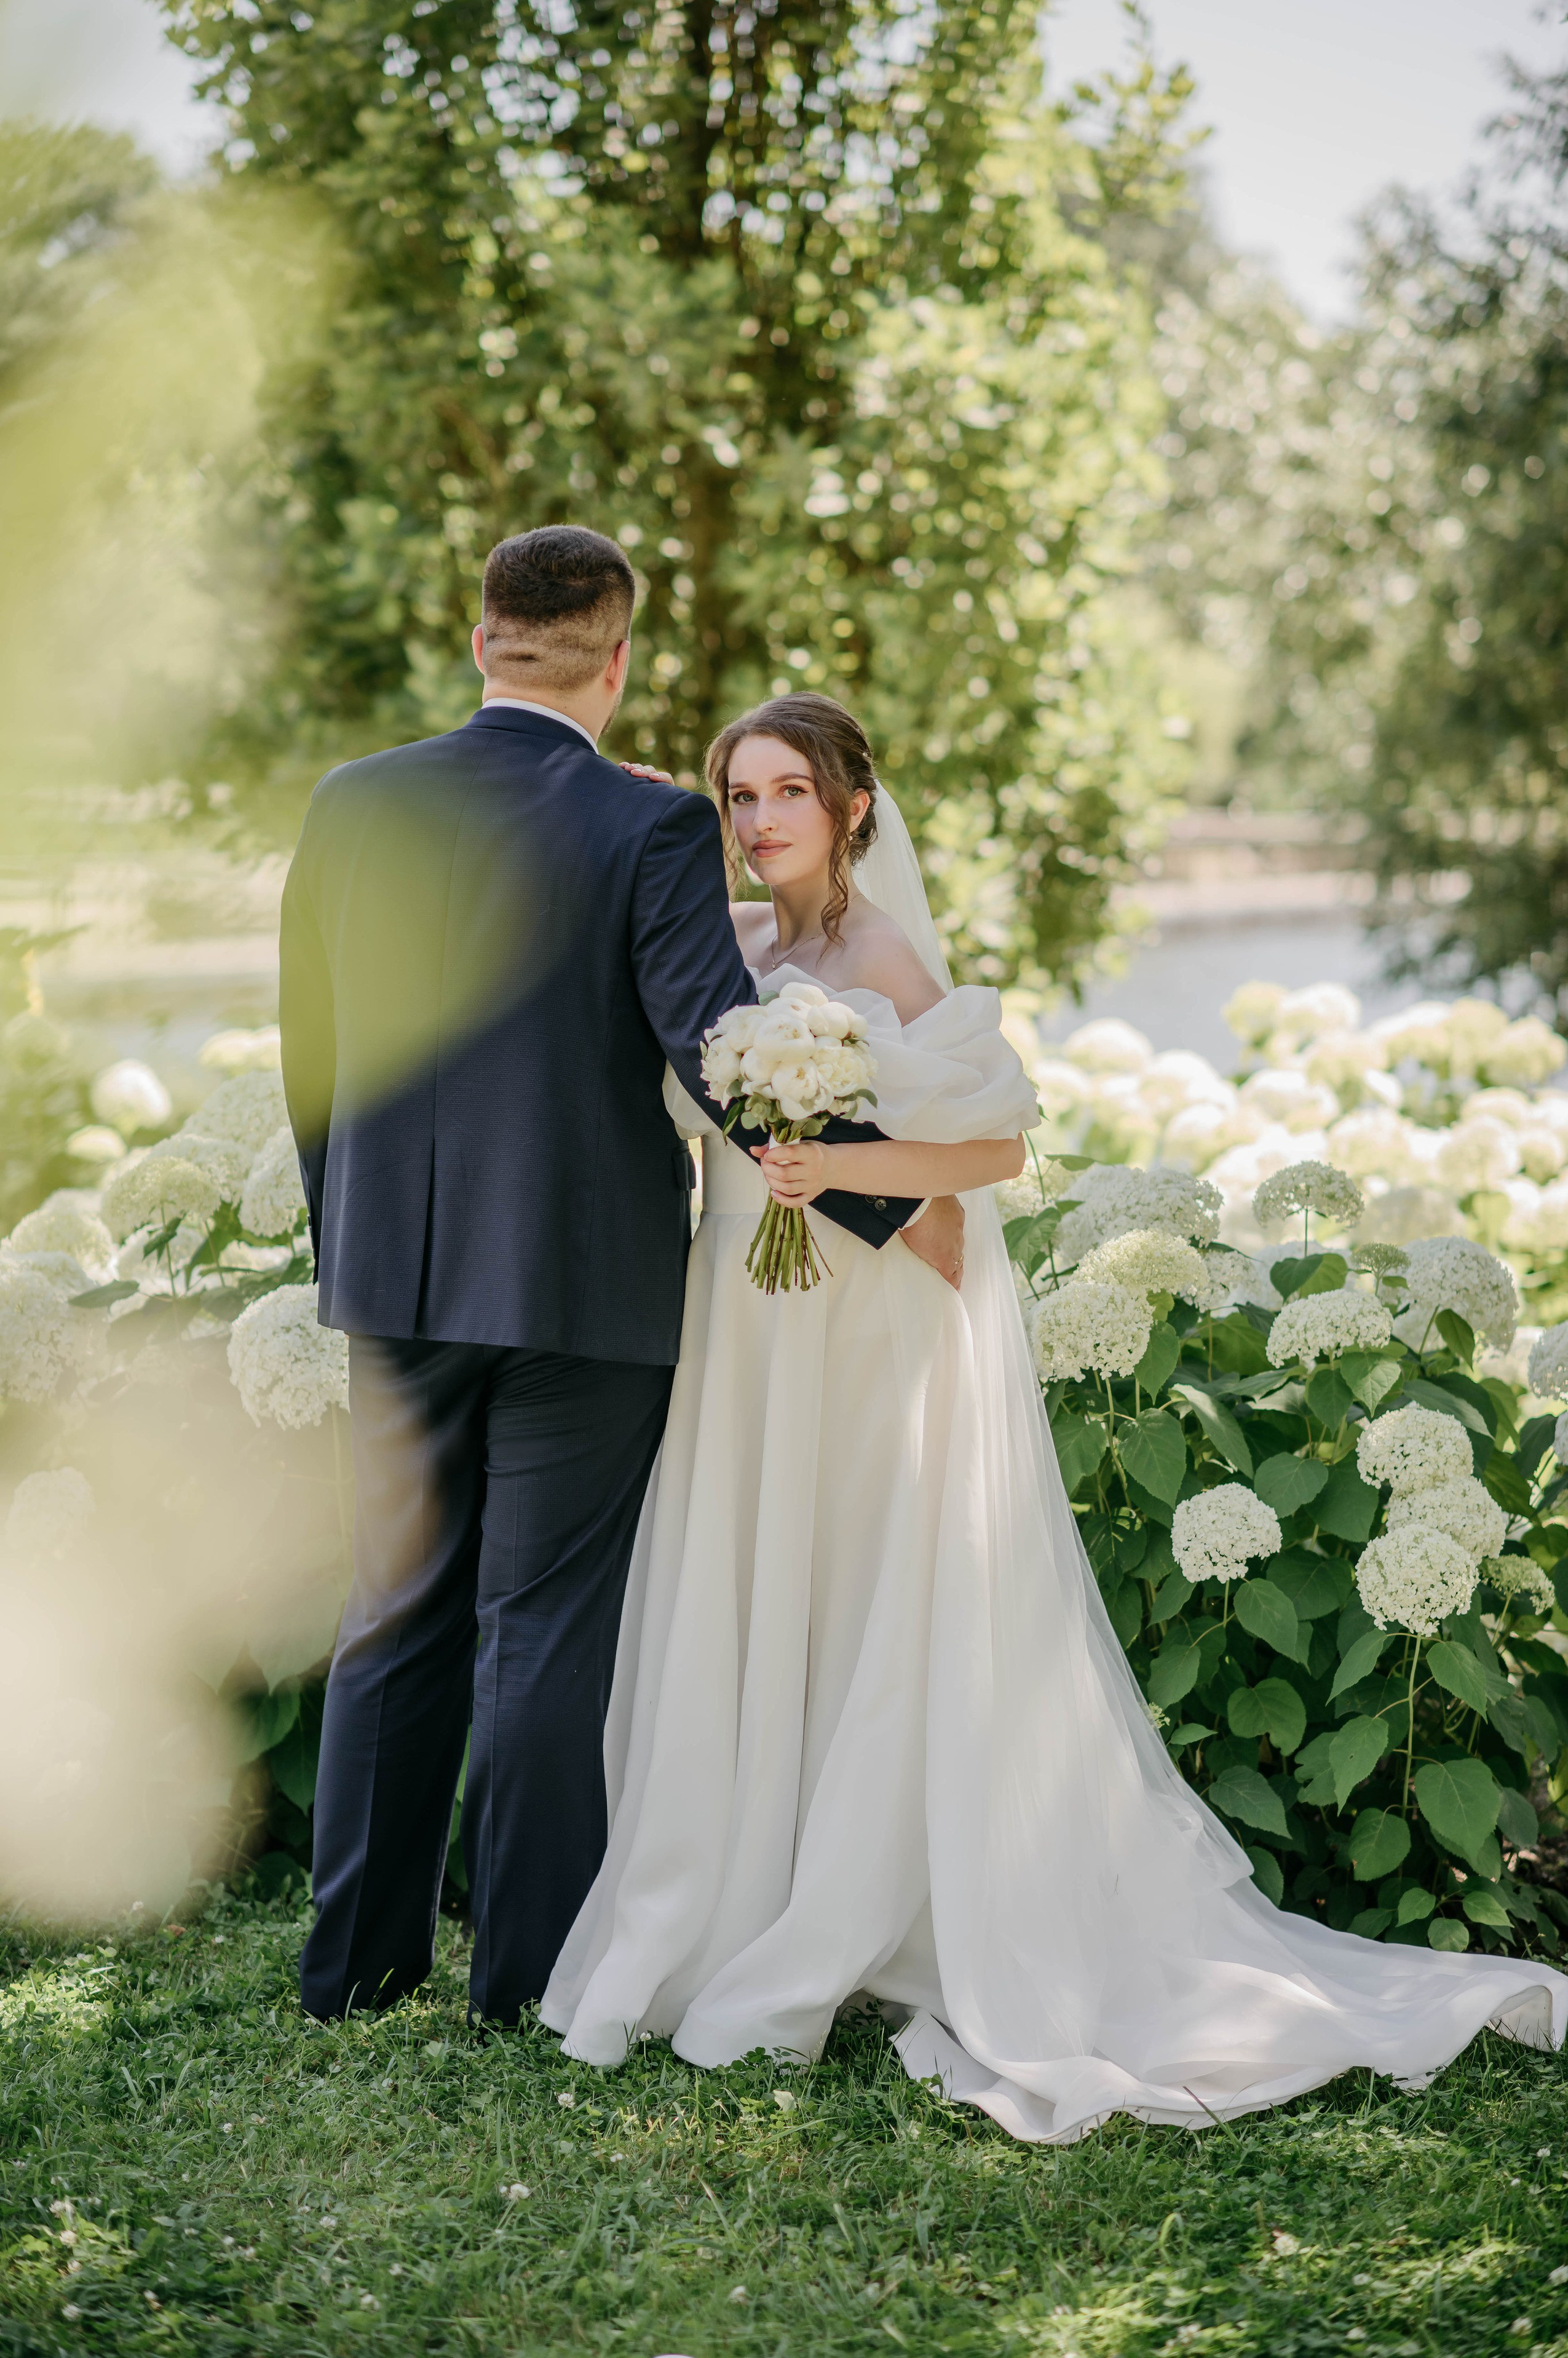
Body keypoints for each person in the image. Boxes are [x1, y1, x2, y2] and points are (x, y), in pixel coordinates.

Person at [542, 690, 1568, 2143]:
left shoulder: (885, 956)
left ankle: (865, 1898)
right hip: (750, 1307)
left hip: (859, 1314)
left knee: (873, 1585)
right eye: (737, 795)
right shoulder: (739, 943)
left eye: (786, 792)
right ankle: (739, 1892)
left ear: (850, 806)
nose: (758, 820)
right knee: (767, 1580)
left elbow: (992, 1145)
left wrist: (834, 1167)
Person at [279, 529, 961, 2026]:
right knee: (542, 1627)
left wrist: (356, 1251)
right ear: (619, 658)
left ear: (482, 642)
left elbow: (311, 1056)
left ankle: (355, 1971)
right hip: (585, 1290)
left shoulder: (349, 803)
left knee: (393, 1608)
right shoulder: (647, 826)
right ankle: (519, 1977)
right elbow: (723, 1055)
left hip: (396, 1279)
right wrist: (898, 1208)